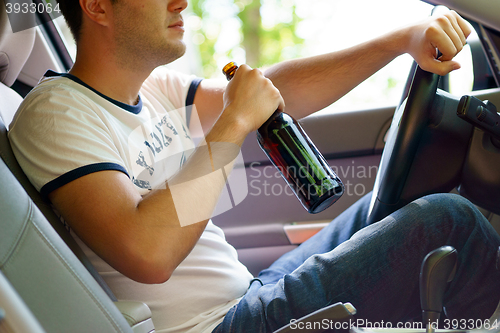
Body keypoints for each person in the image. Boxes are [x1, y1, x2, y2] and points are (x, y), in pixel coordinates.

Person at [7, 0, 500, 332]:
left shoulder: (153, 90)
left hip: (252, 290)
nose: (180, 1)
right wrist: (234, 120)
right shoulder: (56, 112)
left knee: (403, 202)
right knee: (446, 223)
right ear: (96, 6)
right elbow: (148, 253)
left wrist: (398, 41)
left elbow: (276, 94)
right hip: (222, 325)